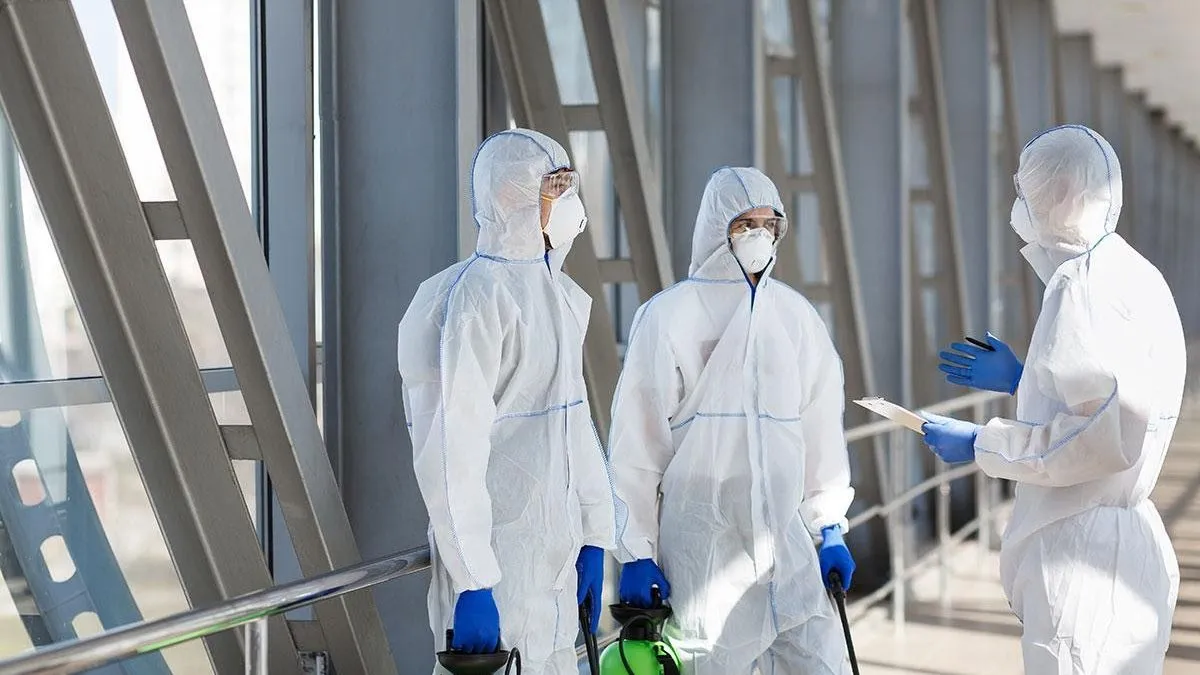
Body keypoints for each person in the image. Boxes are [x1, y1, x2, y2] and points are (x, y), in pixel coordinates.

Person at [923, 125, 1184, 674]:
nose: (1021, 205)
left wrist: (981, 443)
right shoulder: (1138, 276)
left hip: (1082, 564)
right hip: (1126, 548)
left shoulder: (1079, 286)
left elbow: (1097, 442)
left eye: (1027, 192)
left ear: (1058, 197)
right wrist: (1028, 382)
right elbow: (1112, 405)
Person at [607, 166, 856, 674]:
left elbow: (820, 431)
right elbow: (637, 445)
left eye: (770, 225)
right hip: (705, 551)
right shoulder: (669, 316)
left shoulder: (796, 317)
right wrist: (635, 549)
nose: (760, 237)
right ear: (717, 228)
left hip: (787, 555)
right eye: (746, 225)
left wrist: (830, 526)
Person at [397, 129, 616, 674]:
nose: (567, 199)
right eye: (554, 186)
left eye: (570, 183)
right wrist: (473, 579)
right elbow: (454, 447)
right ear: (512, 195)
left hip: (556, 566)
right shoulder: (478, 296)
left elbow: (574, 427)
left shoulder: (556, 296)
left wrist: (594, 534)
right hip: (500, 565)